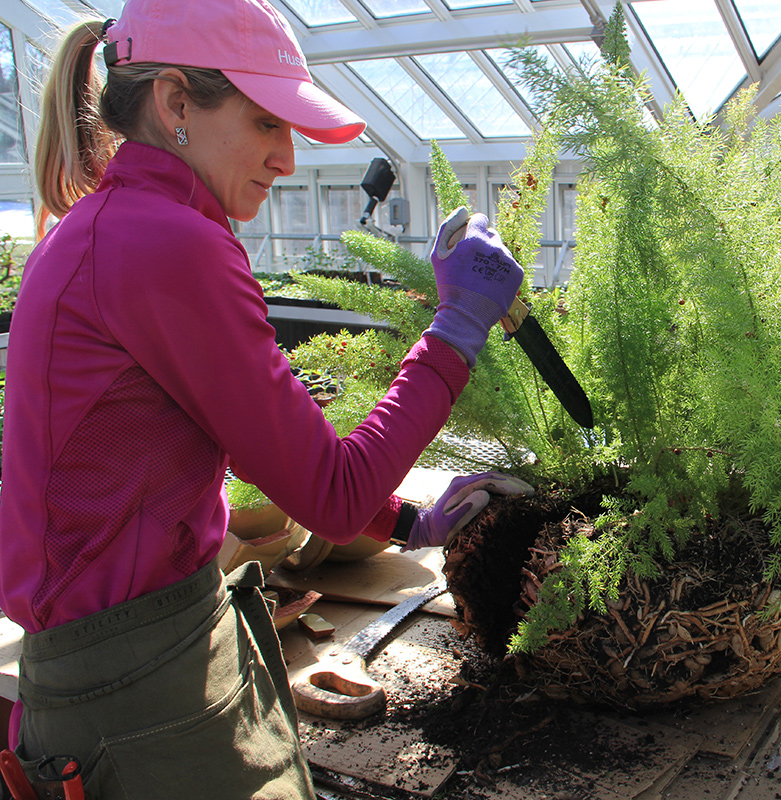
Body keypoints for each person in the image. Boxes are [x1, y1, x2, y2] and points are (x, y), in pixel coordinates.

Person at [0, 0, 530, 797]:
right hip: (136, 691)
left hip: (122, 665)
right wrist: (455, 329)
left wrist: (409, 523)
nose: (286, 157)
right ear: (175, 104)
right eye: (266, 123)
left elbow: (261, 446)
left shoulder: (107, 227)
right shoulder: (166, 243)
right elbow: (331, 492)